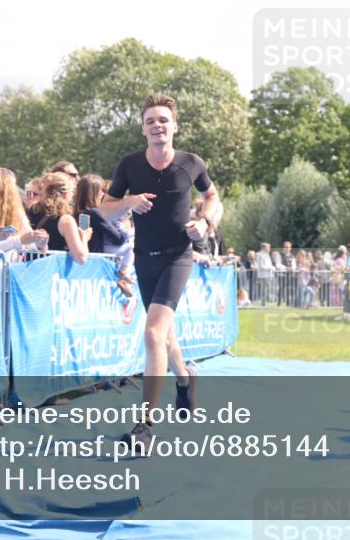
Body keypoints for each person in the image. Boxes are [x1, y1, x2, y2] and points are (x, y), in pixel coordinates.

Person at [99, 93, 222, 451]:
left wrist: (205, 222)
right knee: (165, 337)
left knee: (153, 333)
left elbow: (213, 197)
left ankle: (145, 426)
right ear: (143, 128)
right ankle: (185, 380)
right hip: (144, 259)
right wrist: (129, 202)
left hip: (177, 257)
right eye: (150, 120)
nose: (157, 125)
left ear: (174, 126)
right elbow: (105, 209)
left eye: (163, 120)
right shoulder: (129, 165)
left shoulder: (191, 163)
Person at [25, 172, 91, 263]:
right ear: (65, 194)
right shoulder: (66, 220)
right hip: (53, 270)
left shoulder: (32, 210)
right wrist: (84, 238)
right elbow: (81, 258)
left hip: (29, 268)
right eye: (72, 192)